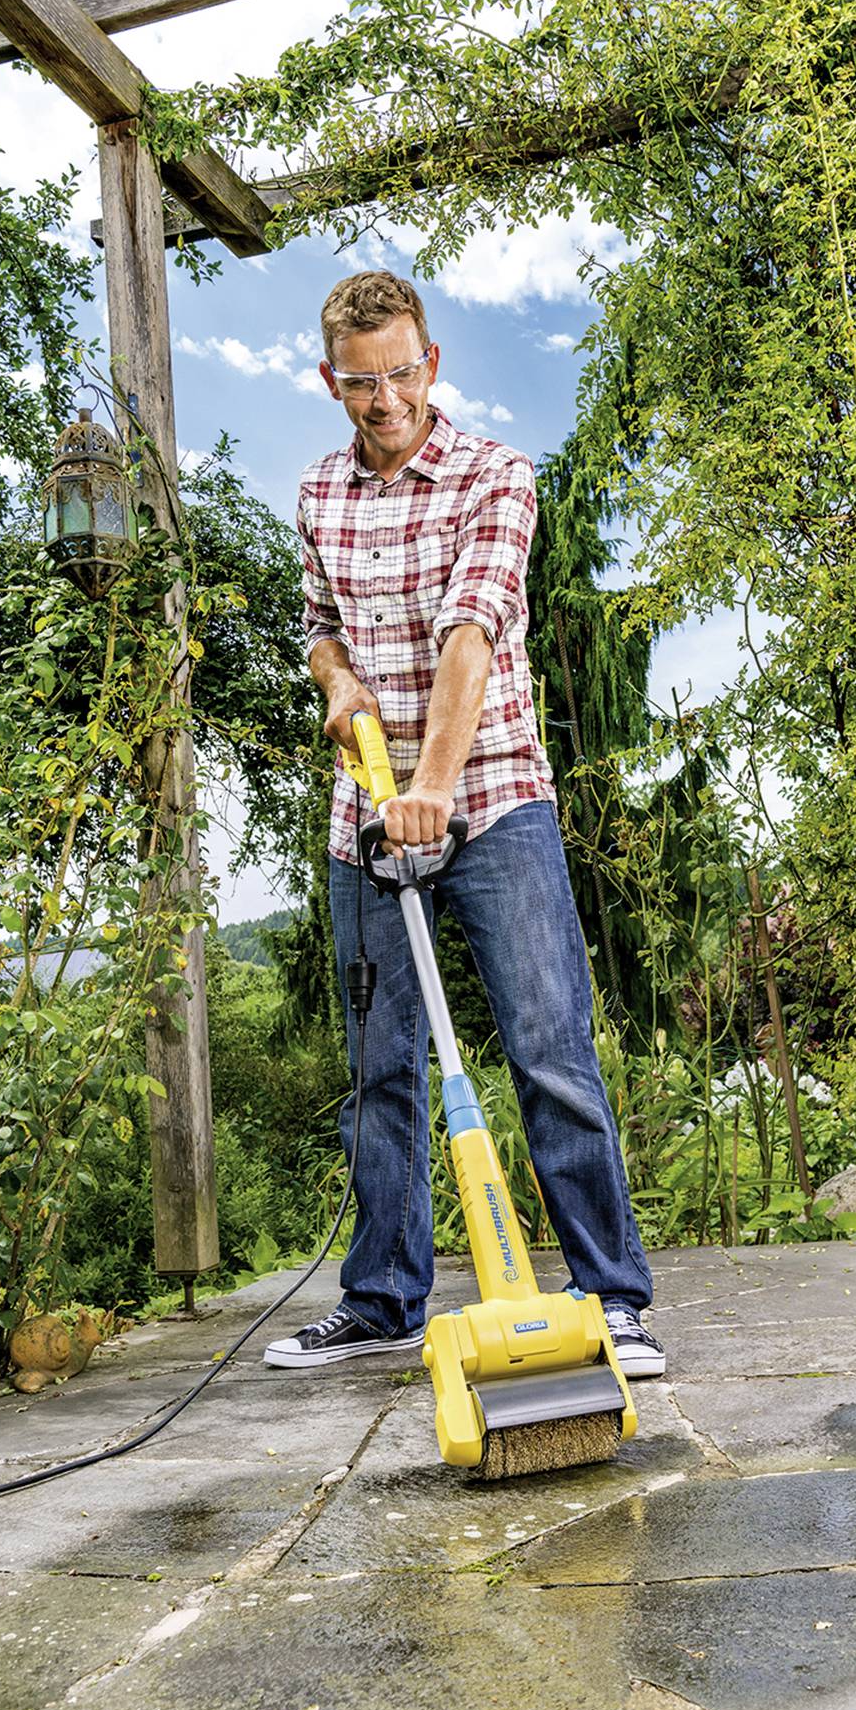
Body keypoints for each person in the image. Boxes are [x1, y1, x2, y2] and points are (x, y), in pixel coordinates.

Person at [264, 271, 664, 1378]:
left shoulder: (496, 476)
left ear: (430, 363)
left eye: (401, 372)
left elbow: (471, 633)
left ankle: (610, 1295)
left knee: (550, 1048)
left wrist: (432, 785)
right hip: (366, 821)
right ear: (330, 379)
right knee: (378, 1069)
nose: (384, 396)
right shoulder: (317, 495)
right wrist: (335, 678)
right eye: (361, 380)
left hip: (491, 801)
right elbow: (320, 625)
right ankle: (384, 1295)